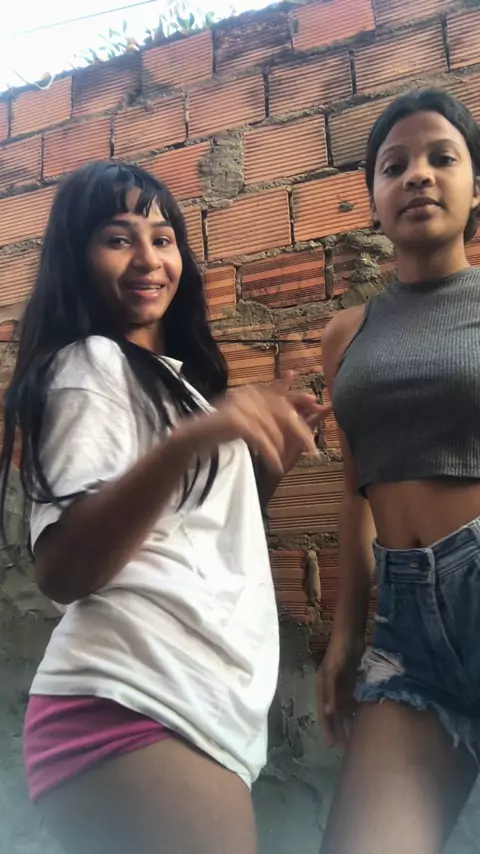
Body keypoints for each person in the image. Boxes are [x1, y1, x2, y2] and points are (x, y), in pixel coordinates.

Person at [0, 161, 329, 854]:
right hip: (134, 701)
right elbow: (63, 569)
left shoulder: (174, 388)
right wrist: (196, 439)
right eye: (119, 238)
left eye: (163, 238)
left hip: (179, 702)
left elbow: (183, 537)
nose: (149, 259)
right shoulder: (91, 365)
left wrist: (264, 467)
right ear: (77, 258)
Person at [317, 88, 480, 854]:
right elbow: (356, 493)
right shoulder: (346, 334)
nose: (418, 174)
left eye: (442, 158)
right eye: (394, 166)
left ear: (474, 189)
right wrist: (346, 635)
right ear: (375, 202)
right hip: (407, 630)